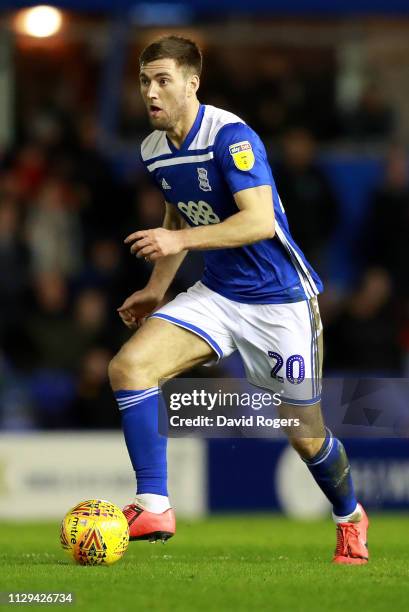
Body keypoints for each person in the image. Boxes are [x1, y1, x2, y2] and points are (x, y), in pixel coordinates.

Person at [108, 36, 369, 564]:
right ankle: (154, 504)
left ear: (191, 83)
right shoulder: (153, 149)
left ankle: (350, 516)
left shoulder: (231, 136)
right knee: (130, 366)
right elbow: (180, 212)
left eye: (163, 80)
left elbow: (258, 220)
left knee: (305, 434)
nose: (151, 92)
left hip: (280, 302)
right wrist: (158, 287)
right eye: (143, 81)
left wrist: (178, 243)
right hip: (219, 294)